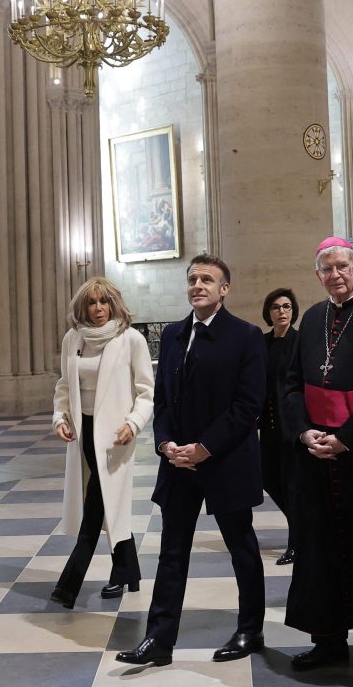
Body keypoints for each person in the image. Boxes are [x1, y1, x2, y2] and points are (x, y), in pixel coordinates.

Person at [115, 255, 266, 668]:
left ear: (224, 289)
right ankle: (159, 639)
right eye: (192, 279)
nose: (198, 284)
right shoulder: (175, 334)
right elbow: (161, 398)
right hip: (178, 463)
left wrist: (204, 447)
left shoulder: (246, 336)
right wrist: (165, 444)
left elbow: (247, 406)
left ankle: (250, 629)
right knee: (172, 551)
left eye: (207, 279)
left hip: (225, 461)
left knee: (242, 549)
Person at [280, 236, 353, 671]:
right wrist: (302, 433)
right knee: (318, 550)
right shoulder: (313, 318)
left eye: (343, 267)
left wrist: (347, 436)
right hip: (315, 456)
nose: (335, 275)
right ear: (317, 276)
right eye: (327, 269)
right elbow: (292, 383)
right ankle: (329, 641)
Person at [50, 276, 155, 607]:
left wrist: (133, 423)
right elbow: (65, 386)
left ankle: (68, 585)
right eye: (92, 302)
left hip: (115, 436)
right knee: (107, 501)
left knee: (96, 504)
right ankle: (128, 573)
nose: (98, 309)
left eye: (104, 301)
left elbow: (147, 392)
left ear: (114, 303)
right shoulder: (73, 339)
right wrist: (60, 417)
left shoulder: (131, 340)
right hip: (84, 431)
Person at [260, 287, 301, 566]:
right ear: (269, 313)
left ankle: (296, 541)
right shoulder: (261, 343)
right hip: (268, 425)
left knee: (291, 485)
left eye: (286, 307)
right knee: (268, 478)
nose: (282, 312)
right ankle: (302, 526)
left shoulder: (300, 341)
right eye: (276, 307)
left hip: (292, 426)